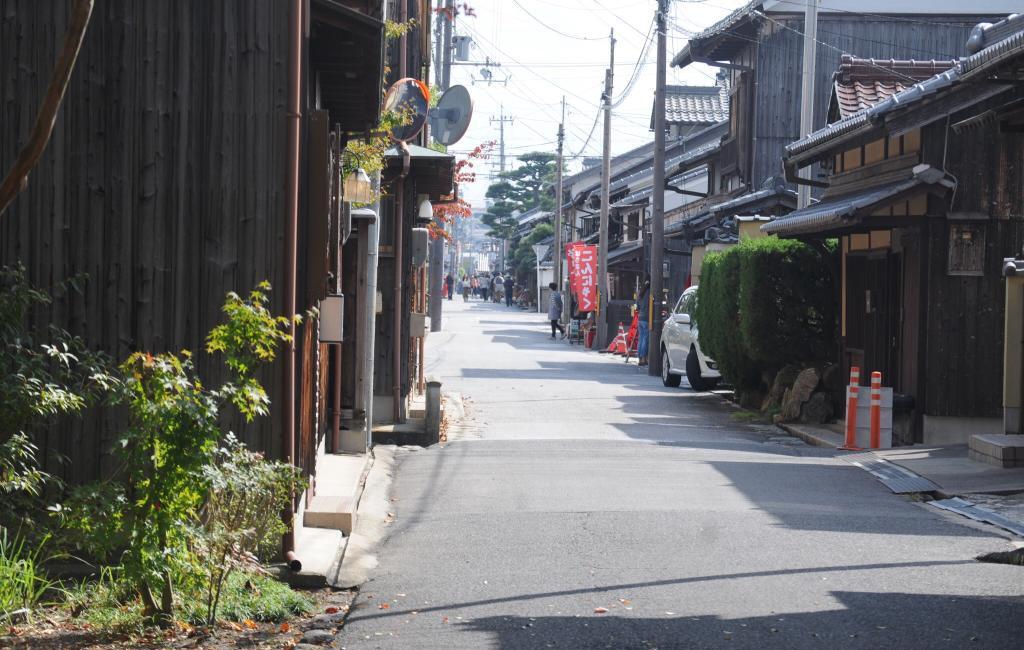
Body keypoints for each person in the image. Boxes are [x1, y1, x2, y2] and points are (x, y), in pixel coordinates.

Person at [635, 278, 651, 366]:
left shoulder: (640, 293)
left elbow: (637, 307)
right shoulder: (649, 292)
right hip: (646, 318)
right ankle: (644, 358)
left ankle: (640, 358)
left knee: (640, 339)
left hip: (640, 318)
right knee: (645, 339)